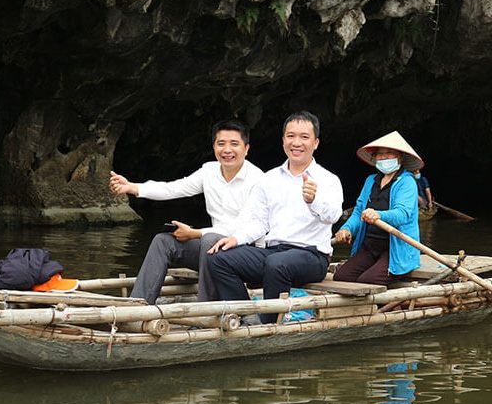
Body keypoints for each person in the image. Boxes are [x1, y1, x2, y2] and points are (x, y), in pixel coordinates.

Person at [207, 111, 343, 323]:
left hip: (312, 256)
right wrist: (236, 239)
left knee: (277, 264)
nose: (296, 142)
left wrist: (313, 200)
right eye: (290, 136)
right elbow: (259, 222)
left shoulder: (328, 180)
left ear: (315, 143)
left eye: (304, 137)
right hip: (274, 251)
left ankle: (268, 324)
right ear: (283, 141)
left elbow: (333, 216)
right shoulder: (269, 179)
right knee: (219, 258)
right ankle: (245, 317)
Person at [109, 119, 264, 304]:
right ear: (214, 146)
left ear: (246, 149)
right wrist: (133, 188)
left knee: (210, 239)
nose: (227, 150)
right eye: (221, 144)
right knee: (163, 241)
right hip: (213, 248)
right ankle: (138, 305)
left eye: (234, 144)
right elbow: (174, 188)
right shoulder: (209, 171)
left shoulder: (258, 179)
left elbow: (243, 227)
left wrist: (194, 233)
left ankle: (206, 310)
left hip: (246, 252)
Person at [333, 130, 422, 286]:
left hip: (395, 249)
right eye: (380, 154)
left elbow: (402, 214)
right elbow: (359, 211)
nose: (383, 157)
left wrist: (378, 215)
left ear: (400, 157)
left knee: (368, 281)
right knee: (342, 277)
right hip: (370, 246)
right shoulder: (371, 181)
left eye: (389, 153)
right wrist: (346, 229)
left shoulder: (407, 182)